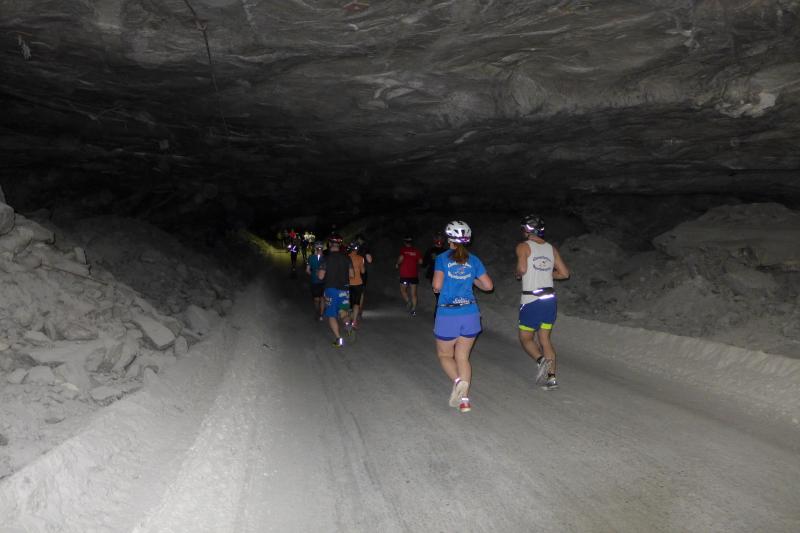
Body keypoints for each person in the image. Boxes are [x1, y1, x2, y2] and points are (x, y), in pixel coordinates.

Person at [432, 220, 493, 413]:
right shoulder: (474, 260)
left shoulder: (442, 258)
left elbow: (437, 285)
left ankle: (458, 382)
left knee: (445, 355)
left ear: (448, 238)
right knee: (463, 358)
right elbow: (488, 286)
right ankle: (464, 400)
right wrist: (471, 279)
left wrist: (444, 284)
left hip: (448, 314)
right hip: (470, 314)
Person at [515, 214, 570, 390]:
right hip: (549, 300)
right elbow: (564, 274)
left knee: (525, 338)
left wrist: (518, 273)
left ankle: (541, 361)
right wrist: (546, 273)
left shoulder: (523, 246)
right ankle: (552, 378)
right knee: (545, 339)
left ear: (526, 230)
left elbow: (522, 268)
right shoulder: (550, 248)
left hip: (532, 300)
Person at [318, 234, 355, 347]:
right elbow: (352, 275)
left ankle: (339, 340)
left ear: (330, 244)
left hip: (331, 290)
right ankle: (348, 325)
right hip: (344, 290)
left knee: (332, 315)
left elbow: (320, 276)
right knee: (343, 312)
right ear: (340, 244)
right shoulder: (347, 258)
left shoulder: (326, 258)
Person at [396, 236, 422, 316]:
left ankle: (408, 301)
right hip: (414, 275)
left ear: (405, 242)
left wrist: (397, 263)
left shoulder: (403, 250)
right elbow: (421, 261)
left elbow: (401, 258)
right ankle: (413, 310)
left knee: (403, 290)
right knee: (413, 293)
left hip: (404, 275)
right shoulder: (416, 251)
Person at [422, 233, 448, 314]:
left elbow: (424, 264)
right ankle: (441, 315)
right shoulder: (446, 251)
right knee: (441, 297)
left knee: (439, 297)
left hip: (434, 275)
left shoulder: (430, 251)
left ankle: (439, 315)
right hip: (443, 276)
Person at [347, 241, 366, 328]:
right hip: (358, 283)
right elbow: (363, 271)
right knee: (356, 303)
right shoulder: (360, 258)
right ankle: (354, 321)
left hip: (348, 284)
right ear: (357, 249)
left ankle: (348, 320)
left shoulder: (346, 258)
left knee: (348, 303)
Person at [354, 233, 373, 318]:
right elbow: (369, 260)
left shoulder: (352, 248)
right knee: (361, 292)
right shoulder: (366, 248)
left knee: (352, 290)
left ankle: (353, 309)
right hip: (362, 272)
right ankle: (359, 310)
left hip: (352, 271)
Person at [306, 241, 326, 320]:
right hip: (324, 281)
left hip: (314, 281)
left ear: (315, 248)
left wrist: (313, 274)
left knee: (316, 299)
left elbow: (307, 270)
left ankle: (317, 312)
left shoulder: (311, 257)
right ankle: (321, 314)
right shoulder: (325, 258)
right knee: (322, 298)